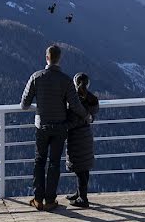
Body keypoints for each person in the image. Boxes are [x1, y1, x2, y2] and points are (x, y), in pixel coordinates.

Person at [20, 44, 91, 211]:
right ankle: (50, 200)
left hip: (42, 126)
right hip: (60, 127)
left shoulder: (36, 77)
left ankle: (38, 199)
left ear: (46, 58)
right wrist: (86, 115)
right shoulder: (66, 80)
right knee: (54, 163)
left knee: (39, 161)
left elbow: (24, 105)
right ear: (59, 59)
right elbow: (75, 105)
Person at [65, 73, 99, 208]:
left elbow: (71, 119)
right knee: (83, 167)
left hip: (75, 136)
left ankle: (83, 198)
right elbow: (93, 114)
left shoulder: (73, 100)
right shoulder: (92, 99)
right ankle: (79, 193)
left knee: (79, 169)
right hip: (86, 135)